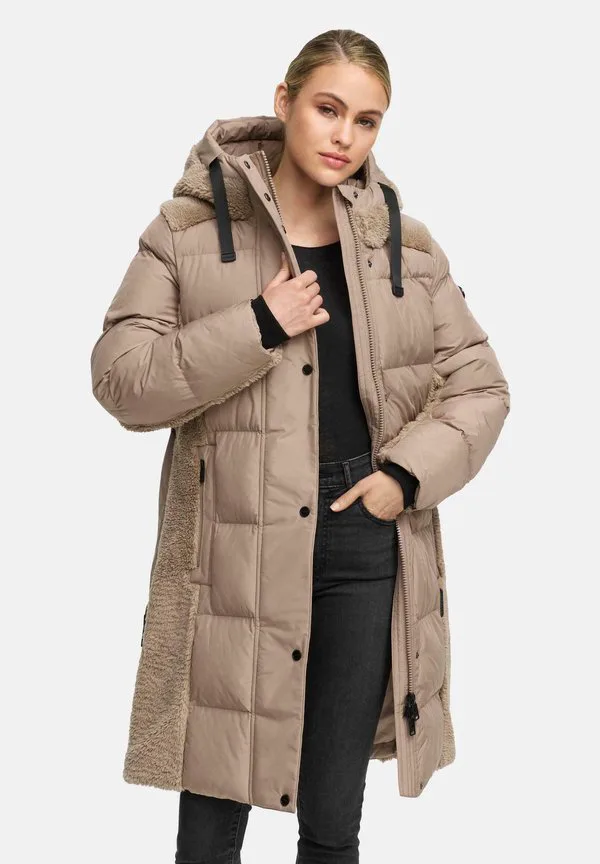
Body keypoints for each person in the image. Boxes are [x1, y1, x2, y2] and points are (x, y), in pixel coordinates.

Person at [90, 28, 510, 864]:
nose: (344, 135)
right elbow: (121, 379)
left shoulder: (405, 245)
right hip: (235, 540)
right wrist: (257, 322)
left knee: (331, 819)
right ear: (284, 103)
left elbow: (482, 387)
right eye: (327, 108)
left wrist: (403, 476)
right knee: (210, 826)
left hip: (362, 537)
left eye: (367, 120)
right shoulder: (187, 230)